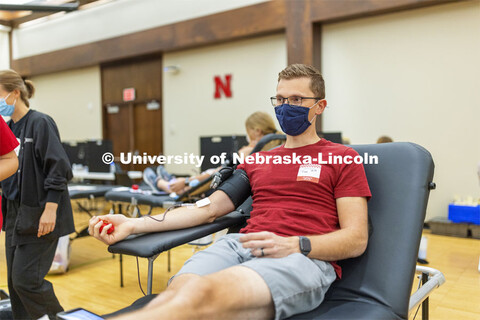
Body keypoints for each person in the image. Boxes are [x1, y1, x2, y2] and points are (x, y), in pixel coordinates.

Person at [89, 64, 371, 320]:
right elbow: (208, 208)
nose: (286, 107)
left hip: (301, 257)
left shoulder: (342, 158)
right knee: (176, 295)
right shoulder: (259, 160)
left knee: (200, 299)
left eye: (296, 100)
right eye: (281, 99)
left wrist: (297, 244)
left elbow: (356, 238)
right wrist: (132, 224)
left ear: (319, 106)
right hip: (240, 245)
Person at [0, 70, 75, 320]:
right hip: (14, 214)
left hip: (41, 212)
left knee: (26, 281)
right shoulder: (7, 128)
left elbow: (59, 168)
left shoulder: (40, 122)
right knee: (14, 284)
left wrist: (51, 209)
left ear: (15, 93)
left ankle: (59, 319)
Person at [143, 111, 279, 195]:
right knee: (206, 174)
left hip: (219, 183)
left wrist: (185, 181)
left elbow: (217, 174)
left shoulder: (248, 151)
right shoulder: (277, 144)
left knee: (189, 186)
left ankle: (160, 182)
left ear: (257, 131)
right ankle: (170, 179)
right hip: (230, 182)